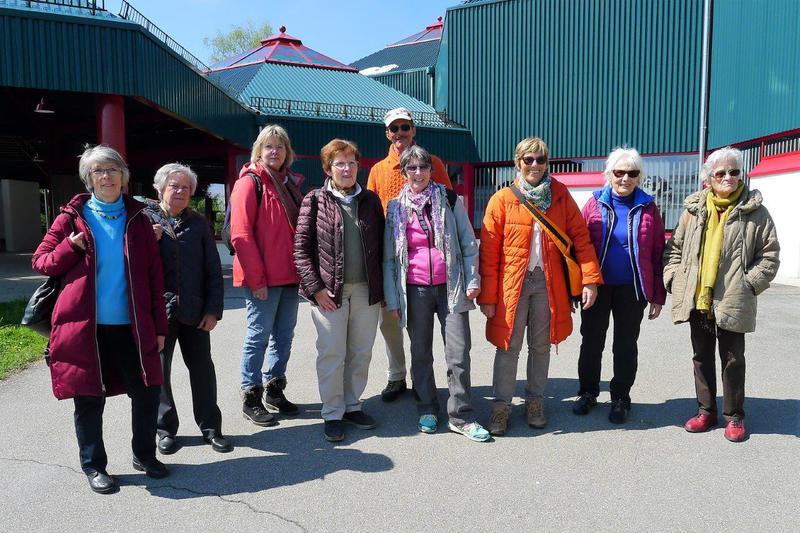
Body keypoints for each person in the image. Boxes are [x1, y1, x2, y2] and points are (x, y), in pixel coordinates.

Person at [32, 145, 169, 494]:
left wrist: (160, 327)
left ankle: (144, 455)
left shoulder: (140, 219)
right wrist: (70, 247)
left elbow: (155, 278)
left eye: (112, 169)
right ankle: (94, 466)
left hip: (133, 326)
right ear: (89, 178)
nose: (106, 176)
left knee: (148, 392)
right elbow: (41, 261)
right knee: (89, 398)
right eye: (98, 171)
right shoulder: (71, 218)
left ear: (124, 176)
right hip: (85, 327)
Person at [478, 136, 602, 436]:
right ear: (517, 162)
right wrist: (488, 296)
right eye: (528, 159)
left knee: (541, 346)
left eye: (541, 159)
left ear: (547, 163)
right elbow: (489, 253)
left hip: (548, 283)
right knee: (508, 346)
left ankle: (535, 402)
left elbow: (581, 238)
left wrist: (590, 279)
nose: (535, 165)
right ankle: (500, 407)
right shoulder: (502, 199)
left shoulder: (559, 195)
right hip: (512, 284)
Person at [664, 146, 779, 442]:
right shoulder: (693, 211)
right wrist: (674, 279)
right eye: (721, 173)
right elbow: (674, 249)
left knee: (733, 359)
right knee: (701, 357)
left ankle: (734, 415)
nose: (728, 177)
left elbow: (769, 255)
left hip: (733, 297)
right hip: (698, 297)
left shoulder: (755, 212)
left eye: (733, 171)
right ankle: (706, 411)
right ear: (709, 178)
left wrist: (748, 283)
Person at [383, 145, 489, 442]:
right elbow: (389, 259)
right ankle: (427, 407)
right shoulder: (395, 207)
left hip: (451, 286)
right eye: (412, 168)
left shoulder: (449, 200)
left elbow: (468, 243)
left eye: (423, 167)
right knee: (420, 353)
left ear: (431, 170)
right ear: (404, 172)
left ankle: (461, 415)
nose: (418, 173)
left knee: (458, 353)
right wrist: (393, 298)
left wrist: (472, 279)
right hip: (414, 289)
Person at [294, 139, 385, 442]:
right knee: (332, 353)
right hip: (329, 293)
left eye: (351, 163)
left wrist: (384, 290)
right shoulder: (315, 200)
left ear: (358, 166)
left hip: (366, 292)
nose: (347, 169)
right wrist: (316, 289)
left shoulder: (370, 200)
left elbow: (382, 247)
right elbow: (301, 249)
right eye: (340, 163)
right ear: (328, 169)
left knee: (361, 353)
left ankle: (352, 405)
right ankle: (332, 413)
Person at [367, 107, 454, 403]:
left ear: (413, 130)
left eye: (405, 127)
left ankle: (424, 381)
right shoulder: (378, 170)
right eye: (394, 129)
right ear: (387, 134)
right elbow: (371, 215)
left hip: (428, 263)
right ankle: (396, 375)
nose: (400, 133)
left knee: (423, 331)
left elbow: (448, 207)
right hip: (392, 258)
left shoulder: (433, 163)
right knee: (391, 321)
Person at [574, 147, 666, 423]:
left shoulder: (649, 207)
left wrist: (657, 294)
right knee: (591, 341)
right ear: (609, 174)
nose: (625, 178)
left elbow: (658, 252)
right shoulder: (594, 203)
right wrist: (580, 284)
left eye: (632, 173)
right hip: (597, 287)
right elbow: (579, 245)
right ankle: (588, 392)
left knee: (625, 345)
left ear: (639, 177)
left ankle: (621, 397)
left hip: (632, 289)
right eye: (619, 172)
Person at [145, 163, 231, 454]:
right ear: (160, 189)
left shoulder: (199, 223)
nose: (180, 191)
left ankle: (211, 428)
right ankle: (165, 430)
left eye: (186, 187)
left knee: (202, 370)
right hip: (159, 313)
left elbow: (212, 269)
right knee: (160, 373)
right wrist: (149, 241)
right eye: (174, 186)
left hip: (195, 311)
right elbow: (131, 264)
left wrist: (213, 310)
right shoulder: (144, 222)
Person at [231, 125, 304, 426]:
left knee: (284, 337)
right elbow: (240, 235)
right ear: (258, 151)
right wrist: (257, 280)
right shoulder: (250, 183)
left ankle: (274, 389)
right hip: (262, 279)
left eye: (280, 146)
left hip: (289, 276)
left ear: (288, 152)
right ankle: (251, 395)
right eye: (269, 146)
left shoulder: (289, 184)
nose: (275, 152)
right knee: (258, 337)